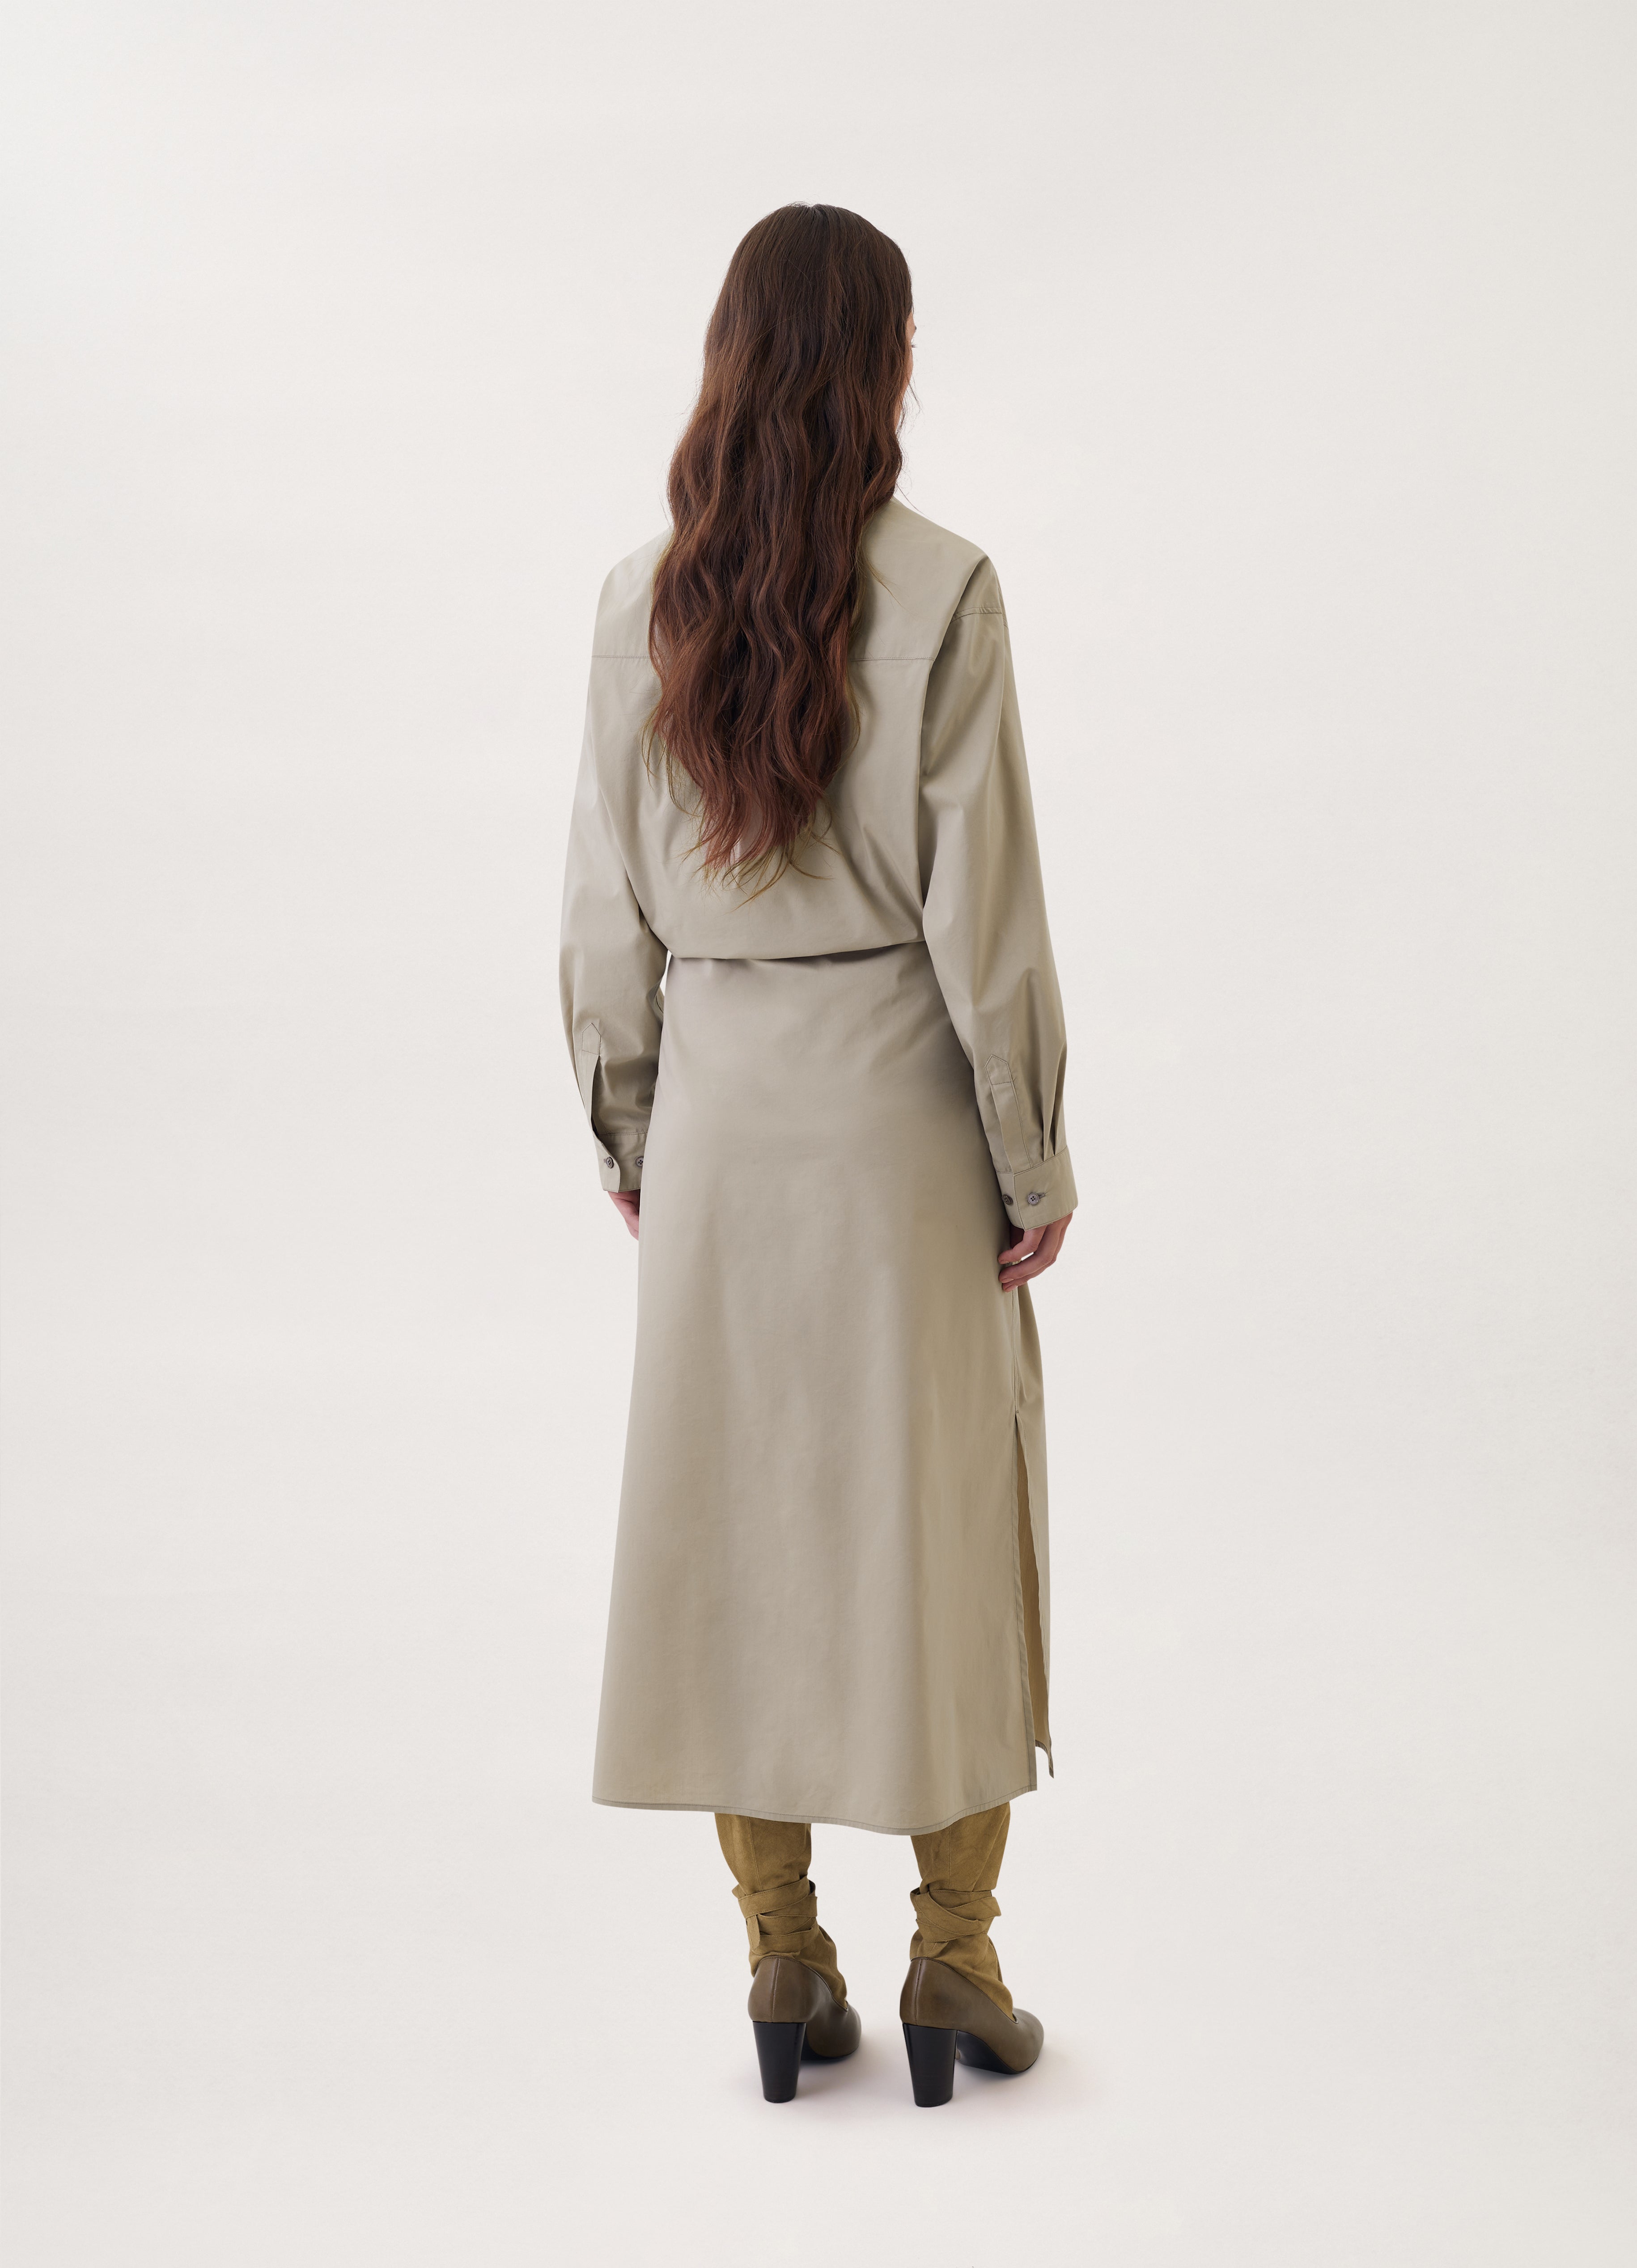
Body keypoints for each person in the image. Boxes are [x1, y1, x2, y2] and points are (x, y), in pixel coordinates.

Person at [560, 204, 1075, 2107]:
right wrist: (1031, 1155)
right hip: (897, 1123)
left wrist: (632, 1125)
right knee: (933, 1523)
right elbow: (986, 919)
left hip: (718, 1119)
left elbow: (600, 912)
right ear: (887, 362)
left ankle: (782, 1956)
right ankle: (957, 1960)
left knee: (735, 1528)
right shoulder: (946, 591)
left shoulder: (639, 602)